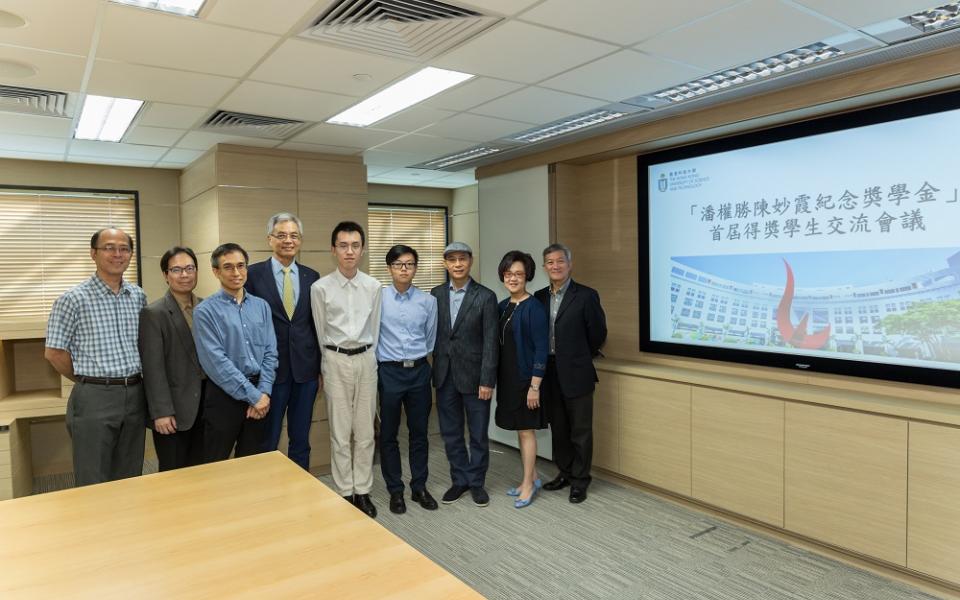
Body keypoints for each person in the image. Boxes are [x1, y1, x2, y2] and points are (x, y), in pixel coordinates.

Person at [44, 228, 147, 486]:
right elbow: (54, 353)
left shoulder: (138, 296)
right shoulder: (72, 299)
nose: (117, 254)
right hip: (94, 397)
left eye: (124, 248)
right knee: (93, 476)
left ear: (131, 254)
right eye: (109, 248)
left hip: (135, 393)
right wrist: (87, 378)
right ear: (93, 253)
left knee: (130, 471)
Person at [311, 221, 382, 518]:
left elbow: (375, 329)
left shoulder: (374, 286)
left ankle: (363, 490)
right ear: (333, 250)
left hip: (366, 359)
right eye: (343, 245)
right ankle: (345, 491)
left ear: (362, 250)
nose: (349, 251)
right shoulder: (320, 288)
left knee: (365, 431)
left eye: (355, 245)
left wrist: (369, 357)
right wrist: (326, 366)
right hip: (335, 359)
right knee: (340, 432)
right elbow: (319, 330)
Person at [245, 213, 321, 471]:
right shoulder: (253, 275)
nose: (288, 240)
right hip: (269, 374)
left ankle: (302, 491)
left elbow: (315, 325)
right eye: (281, 235)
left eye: (294, 235)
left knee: (301, 439)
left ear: (300, 240)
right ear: (270, 239)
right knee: (267, 440)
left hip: (305, 372)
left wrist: (319, 369)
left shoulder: (312, 276)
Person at [535, 243, 607, 503]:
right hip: (549, 373)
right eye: (550, 262)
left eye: (560, 261)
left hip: (577, 371)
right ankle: (564, 472)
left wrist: (576, 356)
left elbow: (598, 334)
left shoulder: (586, 295)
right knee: (559, 429)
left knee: (581, 430)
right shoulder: (539, 297)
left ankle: (580, 480)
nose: (555, 266)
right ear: (544, 267)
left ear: (569, 264)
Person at [193, 243, 277, 462]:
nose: (236, 272)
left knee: (251, 464)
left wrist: (264, 392)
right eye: (228, 267)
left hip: (260, 393)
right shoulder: (205, 311)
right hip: (224, 397)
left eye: (241, 266)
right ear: (216, 272)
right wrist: (254, 396)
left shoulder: (261, 306)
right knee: (215, 464)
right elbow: (216, 363)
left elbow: (270, 353)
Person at [431, 241, 498, 507]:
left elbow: (491, 342)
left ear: (470, 261)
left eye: (462, 259)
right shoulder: (434, 295)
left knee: (479, 433)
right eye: (452, 259)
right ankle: (459, 479)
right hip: (445, 375)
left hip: (476, 378)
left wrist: (487, 380)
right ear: (445, 263)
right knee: (451, 432)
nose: (457, 264)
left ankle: (477, 482)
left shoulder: (485, 296)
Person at [376, 244, 439, 514]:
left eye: (410, 264)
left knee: (419, 434)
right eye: (399, 264)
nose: (405, 269)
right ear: (389, 268)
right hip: (389, 372)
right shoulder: (377, 298)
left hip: (419, 372)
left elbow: (431, 338)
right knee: (389, 434)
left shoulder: (428, 301)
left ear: (416, 268)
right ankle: (395, 490)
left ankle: (419, 487)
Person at [138, 247, 205, 471]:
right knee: (173, 473)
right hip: (174, 412)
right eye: (176, 270)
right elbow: (152, 367)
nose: (184, 275)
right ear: (166, 275)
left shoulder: (207, 307)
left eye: (189, 268)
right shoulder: (154, 313)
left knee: (204, 472)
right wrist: (161, 412)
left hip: (207, 408)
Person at [495, 250, 549, 508]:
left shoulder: (534, 308)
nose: (513, 278)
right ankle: (533, 477)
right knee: (520, 429)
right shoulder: (502, 306)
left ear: (527, 276)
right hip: (508, 380)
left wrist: (534, 386)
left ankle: (528, 485)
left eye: (518, 273)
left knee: (527, 432)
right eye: (508, 273)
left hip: (527, 381)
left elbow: (541, 349)